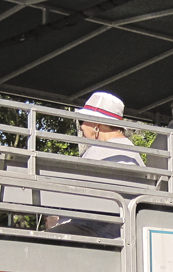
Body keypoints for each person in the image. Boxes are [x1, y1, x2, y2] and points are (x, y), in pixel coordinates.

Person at [48, 91, 142, 237]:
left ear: (96, 123)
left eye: (82, 121)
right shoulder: (132, 152)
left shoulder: (99, 151)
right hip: (118, 231)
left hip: (96, 232)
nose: (81, 127)